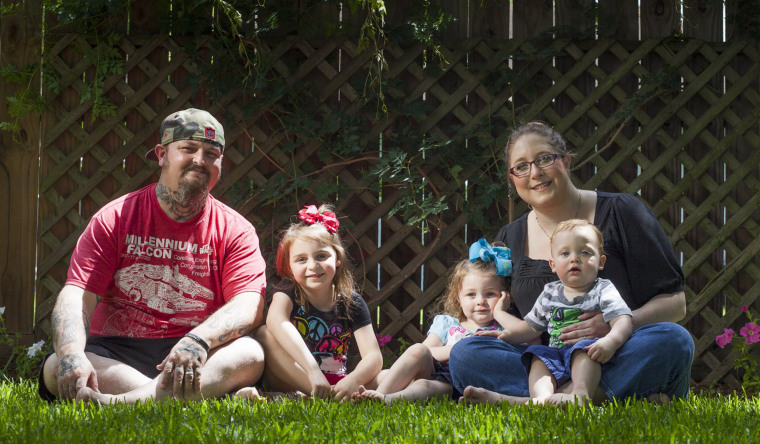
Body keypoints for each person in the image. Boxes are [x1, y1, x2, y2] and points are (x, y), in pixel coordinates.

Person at [449, 121, 694, 404]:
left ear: (565, 160)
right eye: (522, 166)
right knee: (466, 354)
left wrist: (614, 326)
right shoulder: (510, 237)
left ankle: (540, 402)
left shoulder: (621, 212)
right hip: (544, 364)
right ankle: (596, 397)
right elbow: (520, 324)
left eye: (544, 159)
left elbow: (676, 303)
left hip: (615, 351)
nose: (535, 173)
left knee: (673, 340)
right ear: (512, 178)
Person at [39, 108, 268, 404]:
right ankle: (175, 396)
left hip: (196, 352)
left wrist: (198, 340)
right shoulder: (116, 217)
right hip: (117, 352)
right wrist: (71, 354)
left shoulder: (236, 229)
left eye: (212, 154)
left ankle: (122, 403)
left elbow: (249, 303)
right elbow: (77, 293)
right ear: (162, 155)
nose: (200, 160)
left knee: (251, 354)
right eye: (188, 149)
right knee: (57, 366)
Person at [477, 220, 632, 405]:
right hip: (555, 353)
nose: (574, 258)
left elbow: (622, 320)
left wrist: (611, 341)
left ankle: (580, 396)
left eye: (585, 252)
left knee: (584, 352)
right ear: (553, 264)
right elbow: (532, 327)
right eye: (565, 253)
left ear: (601, 261)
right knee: (537, 357)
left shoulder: (603, 289)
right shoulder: (550, 292)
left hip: (590, 352)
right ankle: (541, 399)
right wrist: (506, 335)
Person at [352, 239, 512, 404]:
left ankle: (387, 399)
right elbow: (428, 350)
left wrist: (500, 313)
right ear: (459, 297)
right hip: (433, 370)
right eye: (471, 294)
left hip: (454, 385)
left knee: (423, 385)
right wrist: (458, 349)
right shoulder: (448, 323)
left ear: (504, 297)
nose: (480, 301)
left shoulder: (502, 330)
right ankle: (377, 395)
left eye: (490, 294)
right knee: (417, 350)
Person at [251, 204, 382, 402]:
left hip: (338, 381)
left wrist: (353, 380)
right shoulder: (287, 291)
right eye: (301, 259)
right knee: (263, 334)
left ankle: (333, 395)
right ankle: (325, 396)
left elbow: (373, 356)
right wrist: (313, 371)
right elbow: (276, 321)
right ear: (290, 266)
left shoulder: (351, 300)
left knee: (388, 374)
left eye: (321, 256)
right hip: (294, 376)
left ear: (337, 258)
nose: (313, 266)